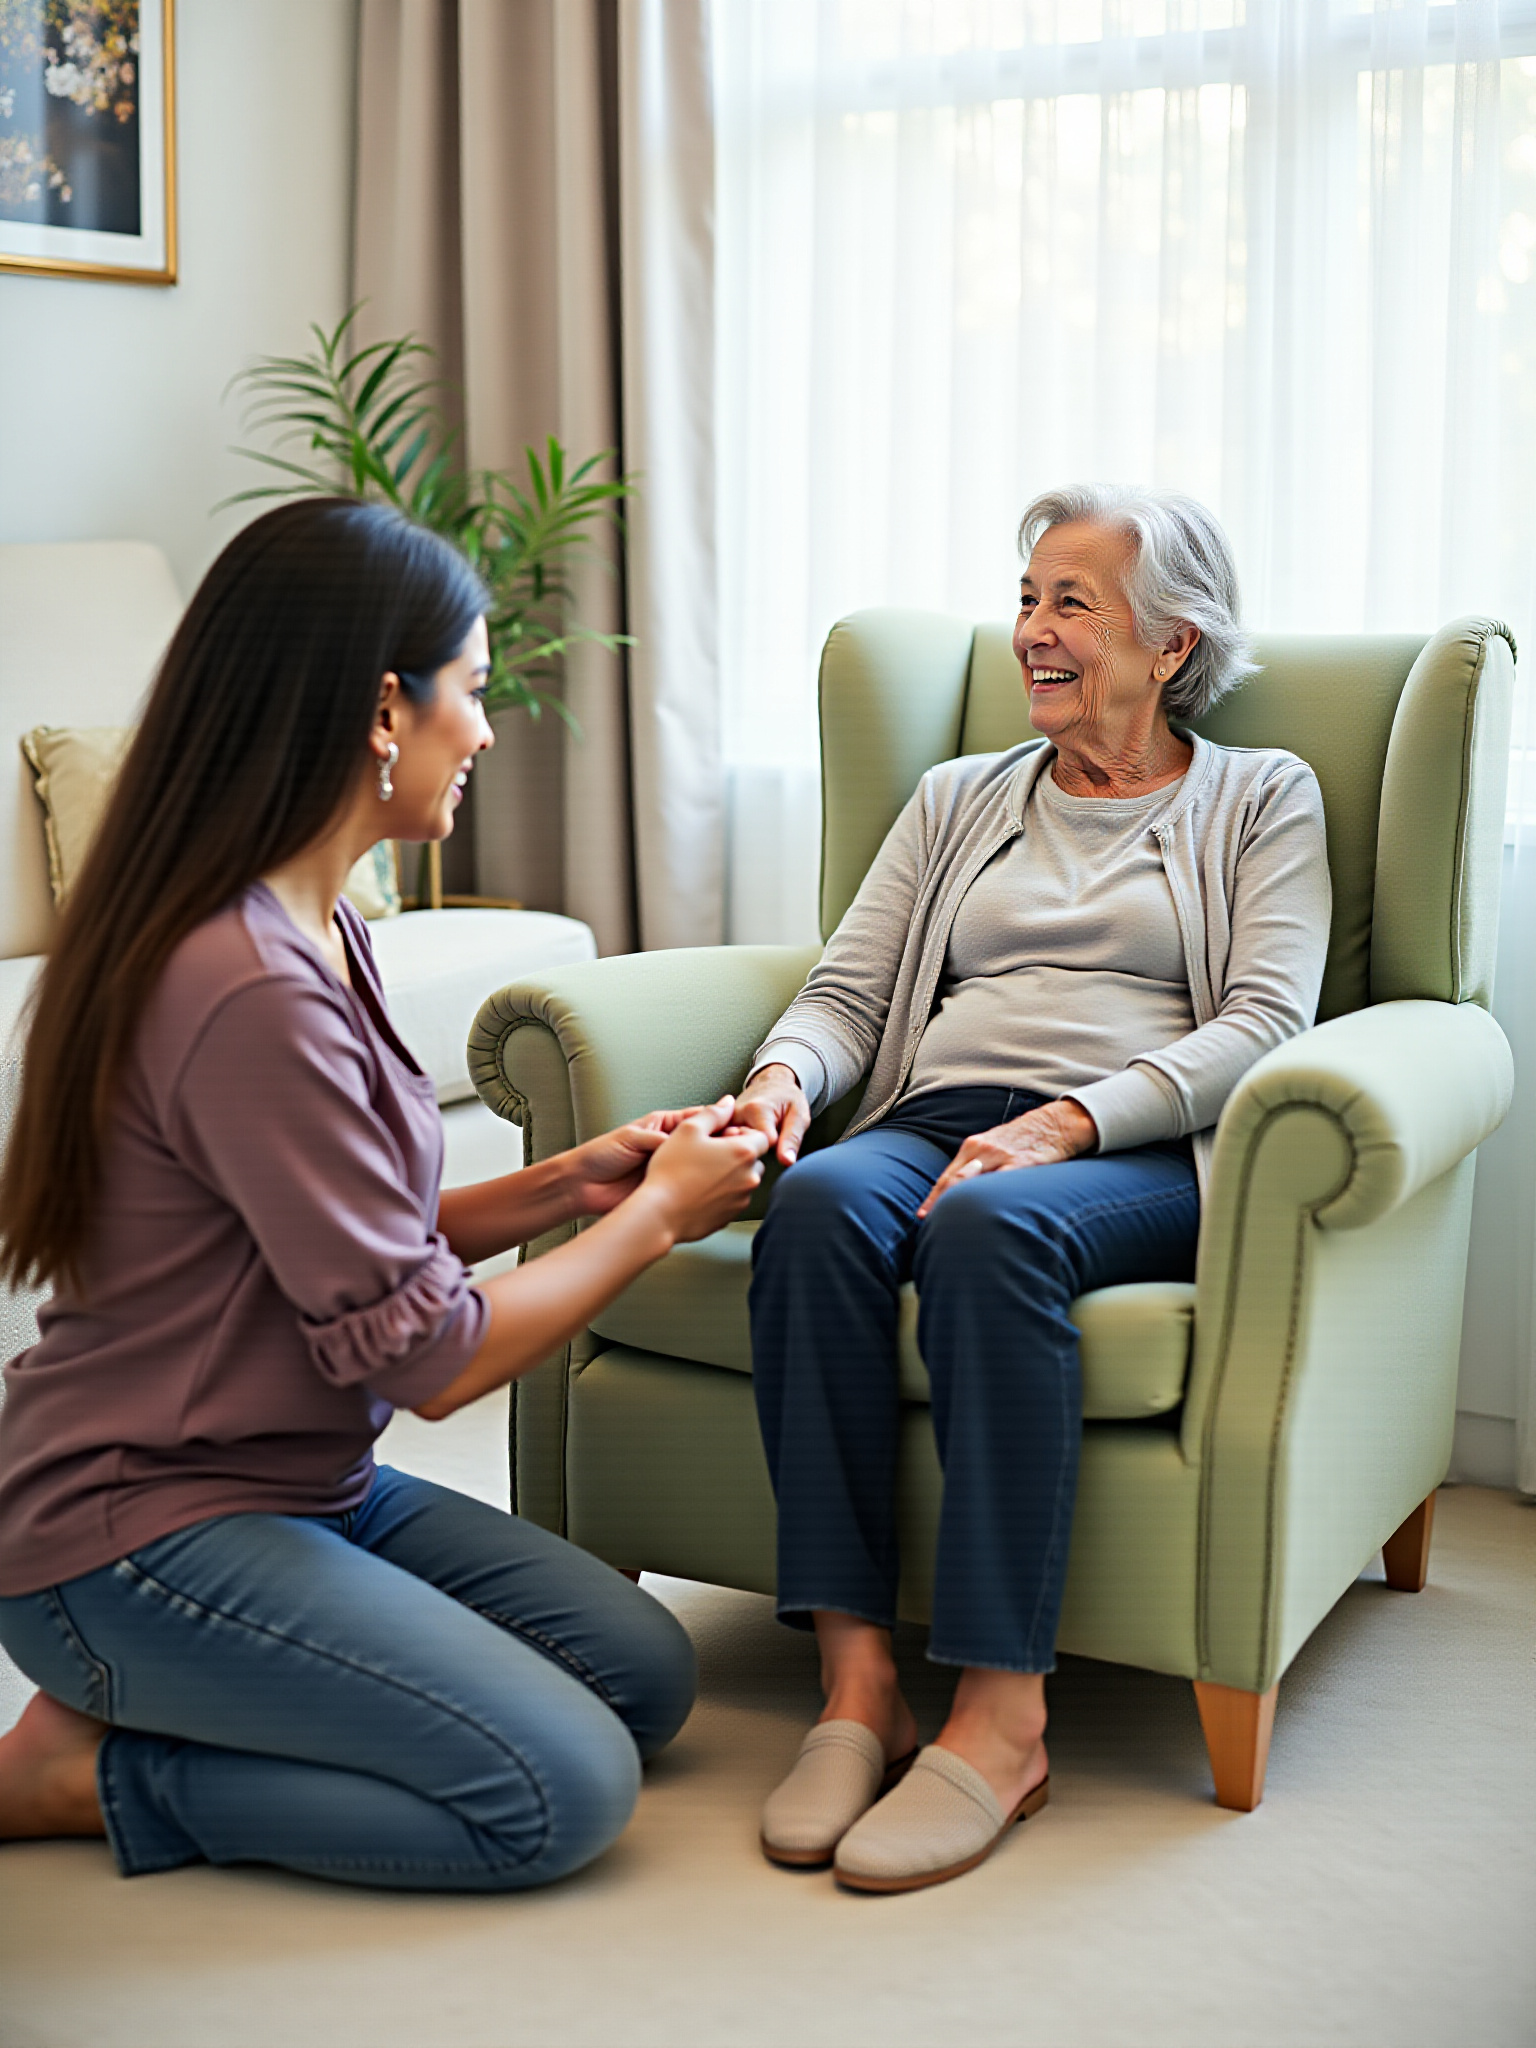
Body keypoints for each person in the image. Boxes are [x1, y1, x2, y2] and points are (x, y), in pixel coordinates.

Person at [0, 499, 769, 1892]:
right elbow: (430, 1357)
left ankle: (194, 1693)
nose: (483, 730)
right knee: (557, 1791)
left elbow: (339, 1240)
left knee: (642, 1678)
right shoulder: (241, 988)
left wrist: (568, 1182)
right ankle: (91, 1770)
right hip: (139, 1533)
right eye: (469, 692)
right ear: (381, 710)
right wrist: (657, 1219)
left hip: (308, 1488)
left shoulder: (322, 918)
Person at [735, 484, 1331, 1894]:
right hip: (937, 1114)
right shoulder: (956, 799)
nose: (1031, 632)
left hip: (1129, 1148)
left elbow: (1265, 1022)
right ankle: (857, 1681)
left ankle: (1004, 1719)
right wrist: (783, 1084)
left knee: (992, 1231)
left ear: (1170, 645)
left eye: (1072, 603)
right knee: (814, 1206)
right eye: (1026, 599)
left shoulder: (1261, 796)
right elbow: (847, 989)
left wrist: (1071, 1122)